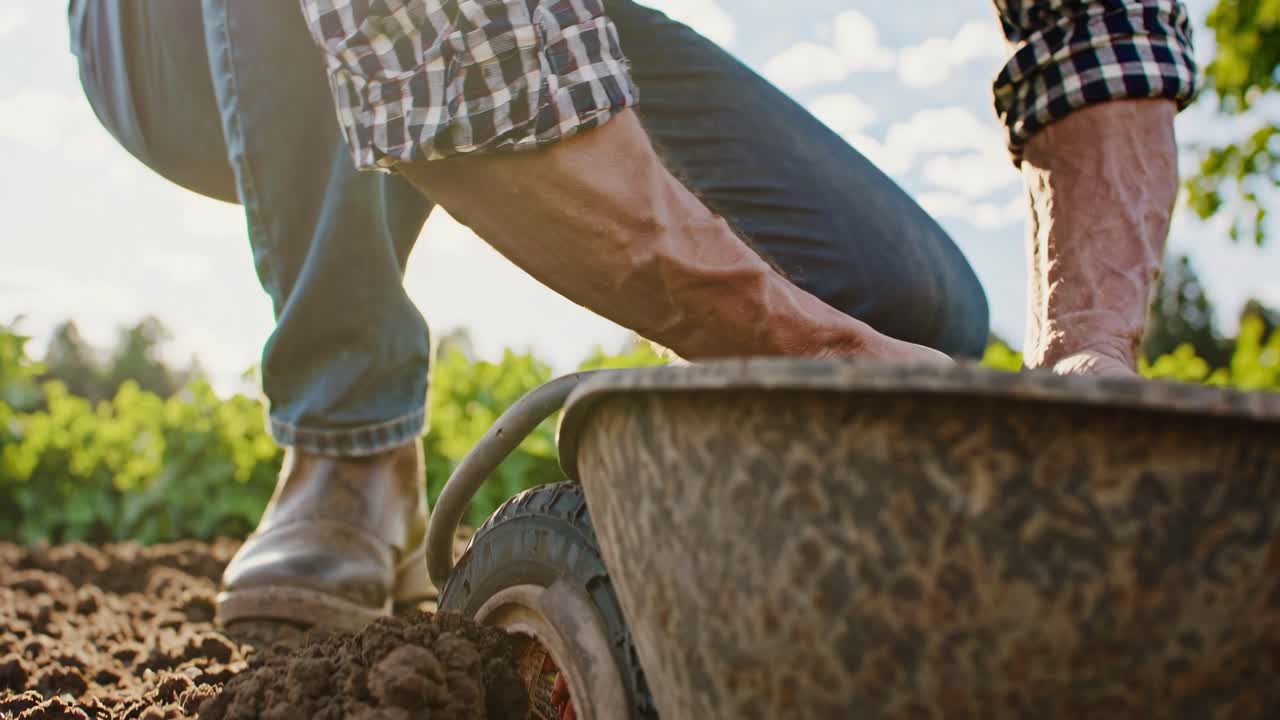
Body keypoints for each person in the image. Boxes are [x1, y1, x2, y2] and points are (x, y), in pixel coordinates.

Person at [67, 0, 1197, 632]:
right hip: (173, 39)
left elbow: (1099, 32)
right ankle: (344, 443)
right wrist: (812, 350)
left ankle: (717, 523)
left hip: (550, 19)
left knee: (917, 304)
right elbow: (429, 34)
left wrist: (1085, 352)